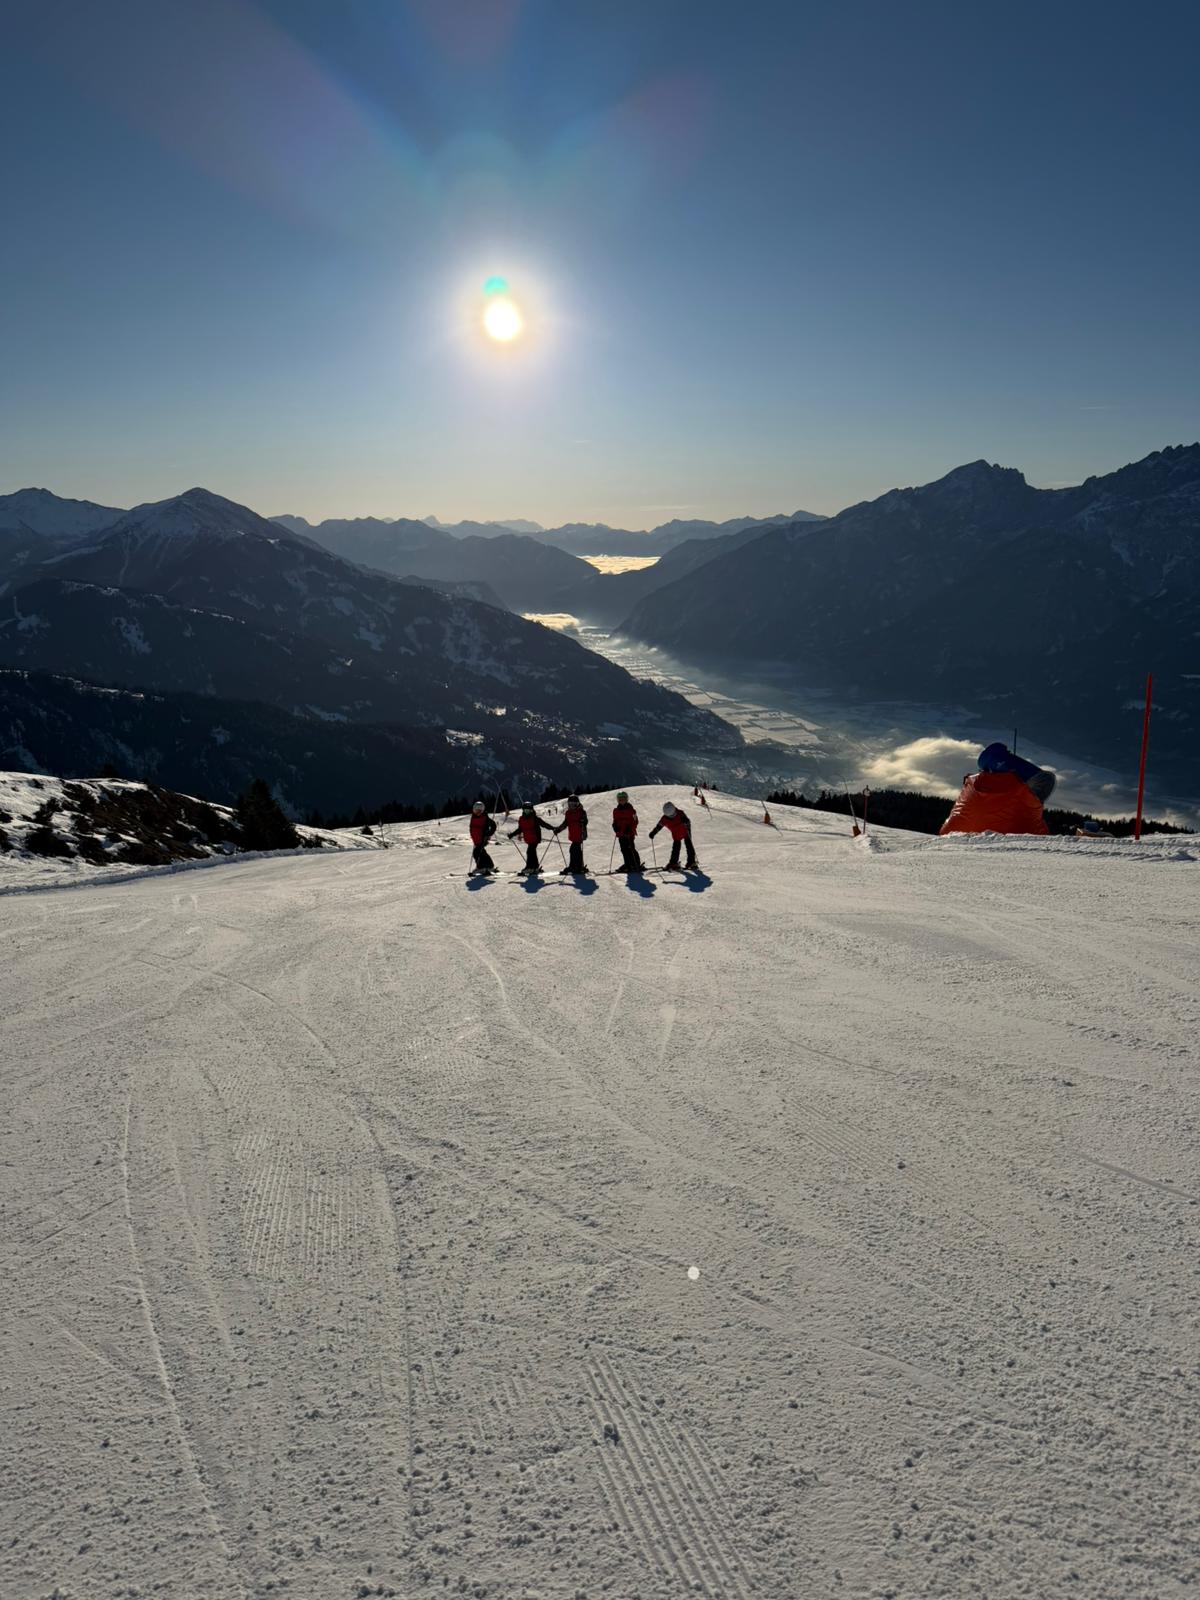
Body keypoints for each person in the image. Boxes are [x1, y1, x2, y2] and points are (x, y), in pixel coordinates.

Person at [649, 800, 699, 870]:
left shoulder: (680, 813)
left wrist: (686, 821)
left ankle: (691, 862)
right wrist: (653, 833)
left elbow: (687, 821)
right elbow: (659, 826)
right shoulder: (664, 819)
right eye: (671, 816)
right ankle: (673, 863)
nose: (673, 817)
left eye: (673, 814)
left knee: (689, 845)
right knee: (676, 848)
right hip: (676, 834)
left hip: (685, 831)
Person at [508, 802, 551, 874]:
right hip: (529, 838)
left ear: (532, 810)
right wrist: (512, 834)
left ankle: (530, 867)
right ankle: (535, 867)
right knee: (532, 852)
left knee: (530, 851)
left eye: (529, 810)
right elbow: (520, 829)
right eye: (525, 810)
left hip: (535, 838)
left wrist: (553, 828)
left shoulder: (535, 818)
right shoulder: (522, 819)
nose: (527, 812)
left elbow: (544, 824)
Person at [553, 793, 589, 874]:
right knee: (575, 850)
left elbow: (586, 821)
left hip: (580, 834)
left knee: (574, 849)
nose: (572, 806)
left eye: (574, 804)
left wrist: (583, 821)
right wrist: (558, 830)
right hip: (573, 834)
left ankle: (574, 867)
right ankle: (578, 866)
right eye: (570, 804)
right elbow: (565, 823)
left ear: (577, 804)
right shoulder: (568, 813)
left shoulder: (582, 812)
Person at [611, 790, 643, 873]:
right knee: (624, 849)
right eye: (620, 799)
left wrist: (630, 828)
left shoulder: (632, 810)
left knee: (631, 848)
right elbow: (615, 821)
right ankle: (628, 864)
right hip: (621, 833)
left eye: (623, 799)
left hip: (629, 833)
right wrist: (615, 826)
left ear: (626, 799)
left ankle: (636, 864)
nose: (621, 801)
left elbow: (635, 821)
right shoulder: (616, 811)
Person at [468, 800, 497, 874]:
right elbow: (472, 827)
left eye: (479, 811)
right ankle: (489, 866)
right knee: (482, 853)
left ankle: (481, 867)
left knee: (476, 852)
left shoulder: (485, 818)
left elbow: (493, 825)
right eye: (476, 811)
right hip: (476, 839)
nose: (477, 813)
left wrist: (489, 833)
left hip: (483, 838)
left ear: (482, 811)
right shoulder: (473, 817)